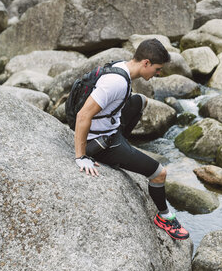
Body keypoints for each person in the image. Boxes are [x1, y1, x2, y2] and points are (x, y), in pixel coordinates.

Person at [73, 38, 189, 240]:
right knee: (159, 173)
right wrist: (81, 156)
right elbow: (83, 116)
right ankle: (163, 217)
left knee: (140, 101)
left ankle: (124, 147)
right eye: (158, 69)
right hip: (101, 141)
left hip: (111, 127)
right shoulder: (116, 82)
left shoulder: (121, 66)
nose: (158, 74)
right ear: (146, 63)